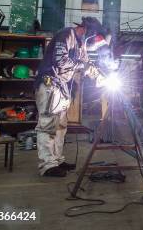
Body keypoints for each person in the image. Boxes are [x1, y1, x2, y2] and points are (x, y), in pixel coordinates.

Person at [34, 17, 112, 177]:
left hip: (61, 88)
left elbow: (87, 65)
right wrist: (82, 65)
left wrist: (104, 80)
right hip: (50, 85)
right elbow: (61, 61)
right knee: (48, 125)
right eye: (96, 40)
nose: (95, 44)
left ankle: (57, 160)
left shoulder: (81, 45)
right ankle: (47, 165)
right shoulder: (67, 35)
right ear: (88, 31)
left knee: (61, 127)